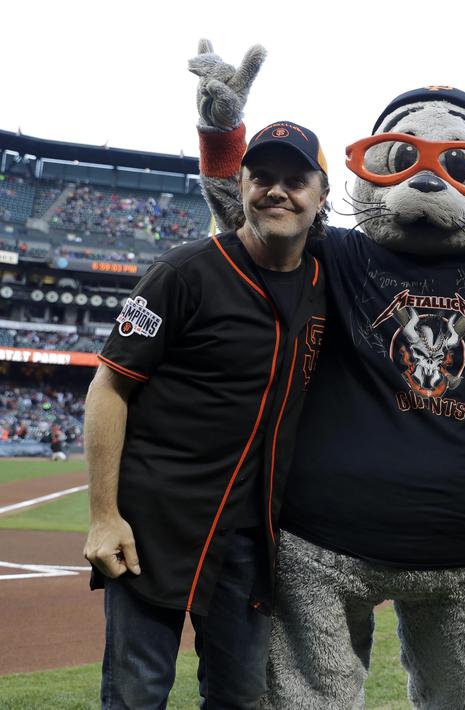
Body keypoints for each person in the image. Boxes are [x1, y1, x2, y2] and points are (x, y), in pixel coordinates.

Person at [81, 121, 329, 708]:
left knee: (242, 698)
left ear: (322, 195)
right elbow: (107, 389)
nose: (277, 192)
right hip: (153, 526)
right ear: (239, 185)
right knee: (137, 695)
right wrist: (103, 515)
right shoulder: (183, 272)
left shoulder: (329, 281)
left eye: (296, 181)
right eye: (262, 177)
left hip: (249, 538)